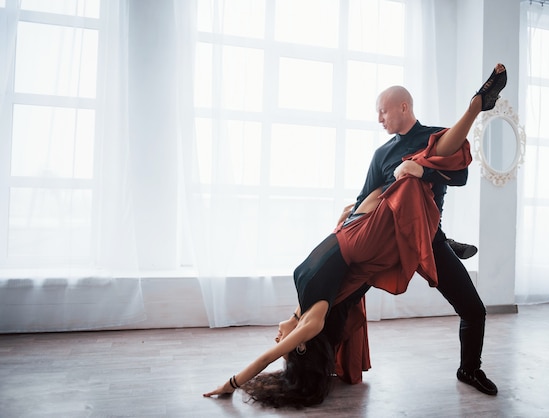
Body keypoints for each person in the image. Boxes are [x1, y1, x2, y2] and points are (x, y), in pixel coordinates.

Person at [203, 64, 507, 406]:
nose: (379, 119)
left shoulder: (433, 137)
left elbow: (460, 177)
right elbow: (366, 199)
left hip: (425, 235)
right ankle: (317, 363)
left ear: (403, 107)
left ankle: (469, 369)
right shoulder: (381, 154)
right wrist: (348, 215)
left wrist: (422, 170)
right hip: (379, 245)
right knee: (340, 299)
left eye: (383, 111)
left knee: (474, 310)